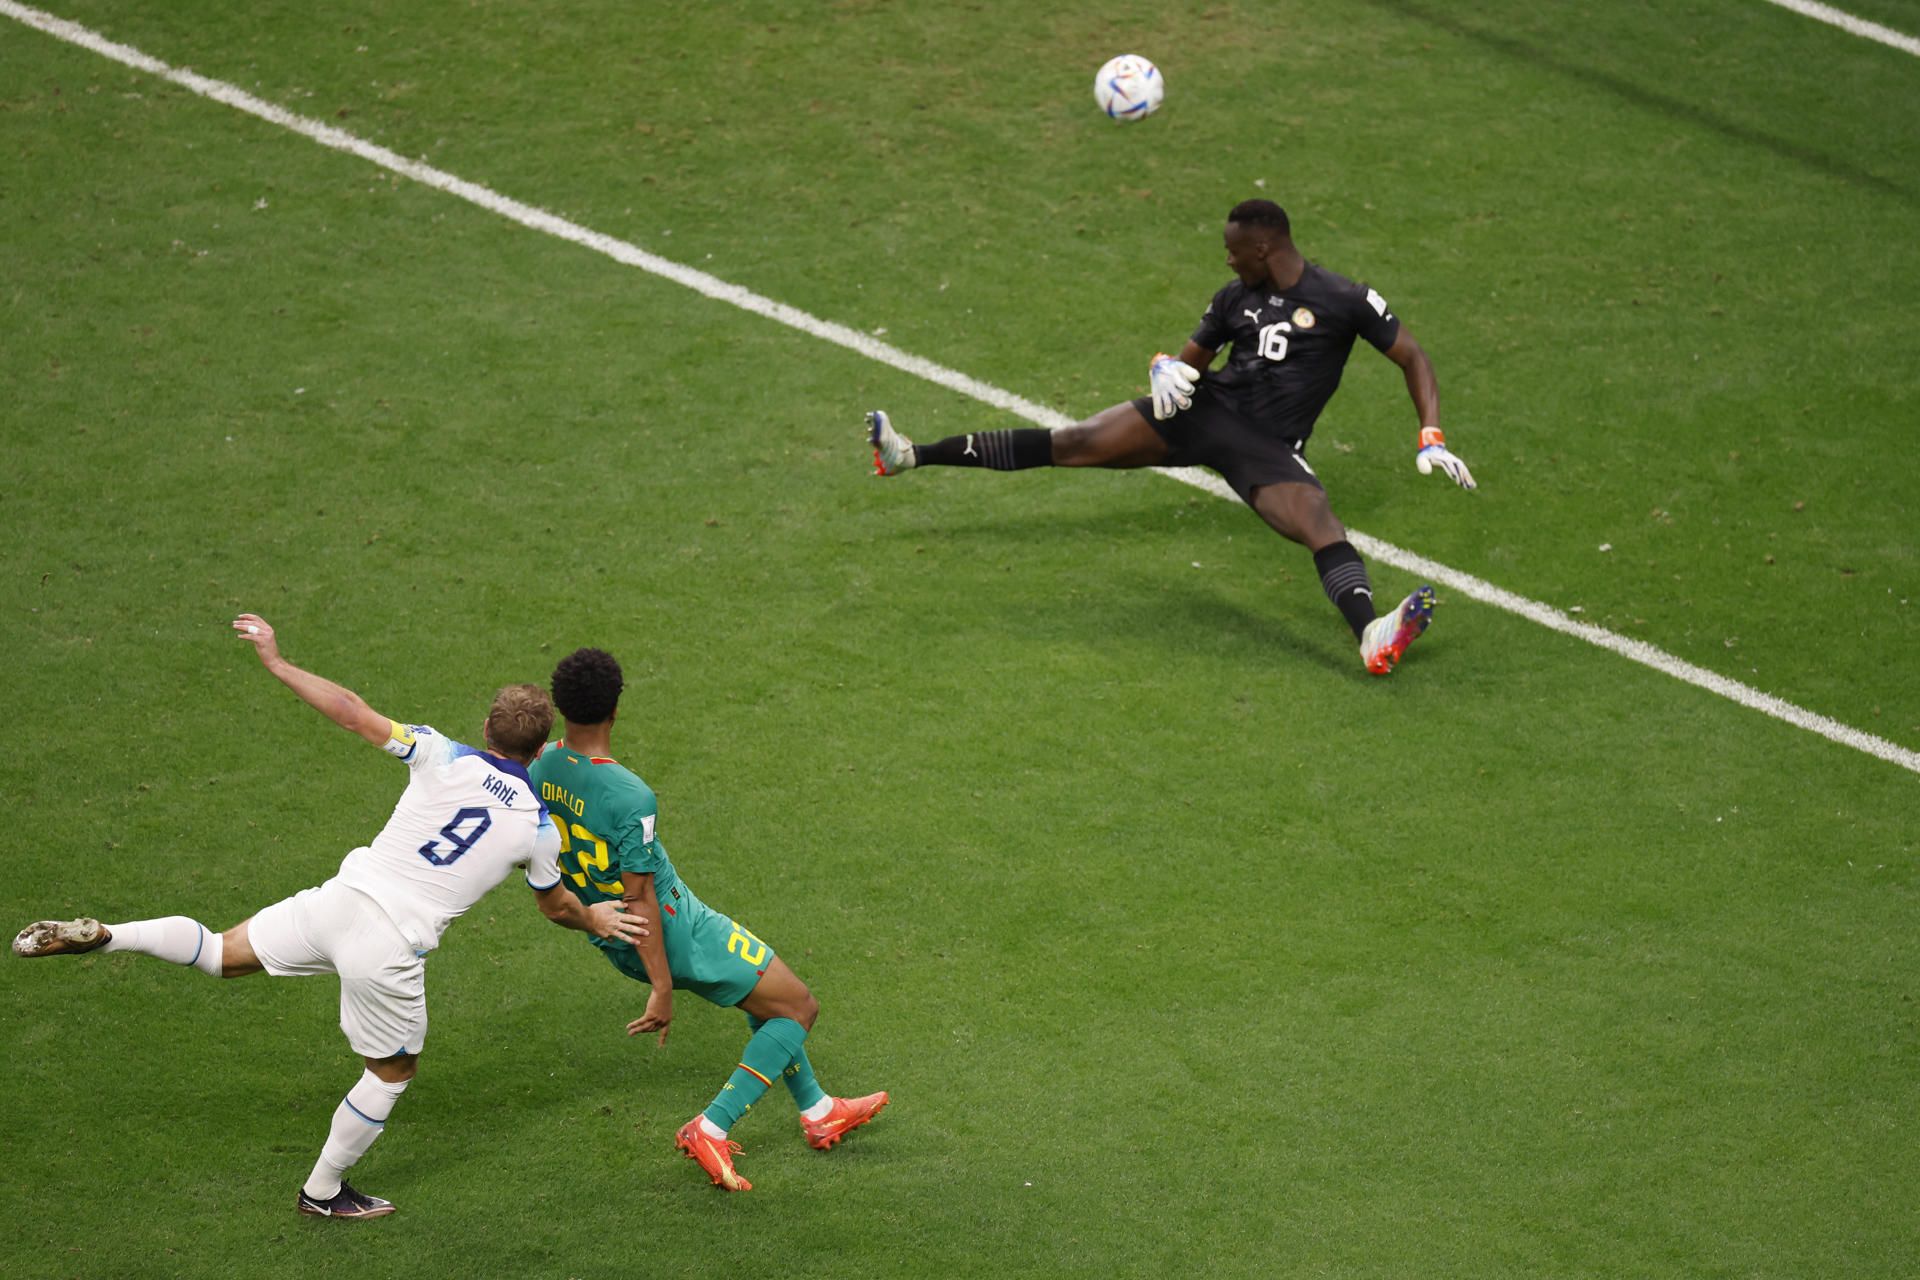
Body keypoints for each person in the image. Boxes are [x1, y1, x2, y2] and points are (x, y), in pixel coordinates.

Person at [12, 615, 647, 1220]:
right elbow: (554, 904)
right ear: (541, 748)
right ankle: (322, 1191)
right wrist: (593, 919)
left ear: (486, 727)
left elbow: (351, 710)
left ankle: (111, 937)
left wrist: (277, 660)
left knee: (218, 953)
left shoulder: (437, 752)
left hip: (338, 900)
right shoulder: (537, 828)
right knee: (392, 1071)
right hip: (390, 946)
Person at [865, 197, 1478, 675]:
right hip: (1204, 412)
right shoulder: (1234, 297)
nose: (1228, 259)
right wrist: (1166, 369)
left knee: (1320, 524)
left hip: (1266, 444)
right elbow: (1188, 365)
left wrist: (1431, 435)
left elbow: (1413, 357)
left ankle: (1372, 635)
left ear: (1264, 247)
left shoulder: (1343, 298)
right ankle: (910, 455)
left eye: (1235, 250)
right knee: (1072, 442)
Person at [528, 646, 887, 1192]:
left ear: (560, 706)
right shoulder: (629, 794)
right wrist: (662, 986)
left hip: (611, 931)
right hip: (672, 931)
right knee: (798, 1007)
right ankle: (711, 1127)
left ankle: (818, 1111)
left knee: (764, 997)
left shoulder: (542, 766)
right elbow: (642, 892)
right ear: (616, 709)